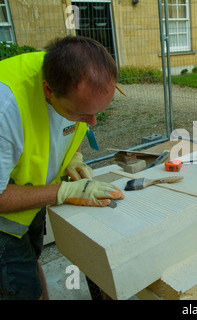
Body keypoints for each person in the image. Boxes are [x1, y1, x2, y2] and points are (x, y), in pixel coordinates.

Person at [0, 36, 124, 300]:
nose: (91, 122)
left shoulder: (68, 76)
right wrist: (64, 191)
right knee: (19, 288)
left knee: (31, 261)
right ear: (48, 90)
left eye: (98, 113)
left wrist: (73, 158)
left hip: (26, 202)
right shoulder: (5, 109)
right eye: (80, 114)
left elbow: (69, 128)